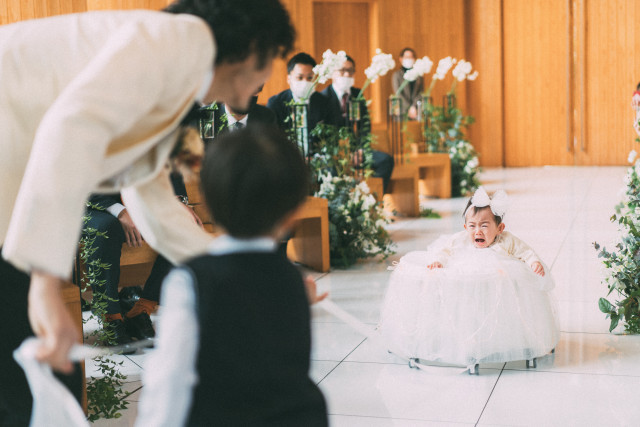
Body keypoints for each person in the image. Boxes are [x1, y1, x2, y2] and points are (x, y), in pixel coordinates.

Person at [0, 0, 295, 424]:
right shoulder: (181, 41)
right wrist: (45, 286)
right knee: (34, 380)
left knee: (32, 381)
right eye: (272, 61)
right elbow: (71, 128)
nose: (267, 79)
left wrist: (250, 276)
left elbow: (149, 192)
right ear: (253, 48)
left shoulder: (179, 76)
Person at [137, 126, 328, 426]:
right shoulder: (291, 279)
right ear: (293, 213)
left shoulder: (190, 281)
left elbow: (170, 380)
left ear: (208, 202)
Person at [379, 187, 559, 367]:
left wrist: (534, 262)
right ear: (465, 227)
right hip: (467, 286)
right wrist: (439, 262)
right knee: (467, 311)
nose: (477, 231)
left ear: (500, 228)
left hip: (496, 285)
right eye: (472, 226)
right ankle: (464, 338)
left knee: (498, 313)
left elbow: (525, 252)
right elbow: (445, 251)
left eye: (485, 225)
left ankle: (501, 339)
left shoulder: (507, 241)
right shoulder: (460, 240)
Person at [83, 168, 200, 351]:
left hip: (143, 198)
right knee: (106, 228)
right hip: (93, 204)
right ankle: (111, 318)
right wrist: (120, 211)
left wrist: (177, 201)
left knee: (183, 225)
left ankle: (142, 309)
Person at [321, 55, 394, 193]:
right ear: (333, 73)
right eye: (342, 70)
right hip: (335, 153)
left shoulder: (357, 94)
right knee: (331, 167)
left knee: (385, 160)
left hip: (357, 151)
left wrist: (360, 149)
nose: (347, 74)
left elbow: (365, 126)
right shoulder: (323, 97)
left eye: (350, 70)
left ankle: (372, 200)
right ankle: (342, 207)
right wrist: (341, 153)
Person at [267, 52, 341, 141]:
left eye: (310, 78)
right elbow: (269, 139)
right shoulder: (276, 103)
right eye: (300, 77)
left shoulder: (325, 102)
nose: (305, 82)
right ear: (289, 79)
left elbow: (332, 136)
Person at [391, 47, 424, 120]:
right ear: (401, 59)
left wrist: (414, 107)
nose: (409, 59)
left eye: (411, 57)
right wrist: (409, 108)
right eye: (406, 57)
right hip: (402, 111)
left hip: (416, 110)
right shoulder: (397, 75)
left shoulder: (419, 75)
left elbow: (421, 92)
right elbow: (398, 93)